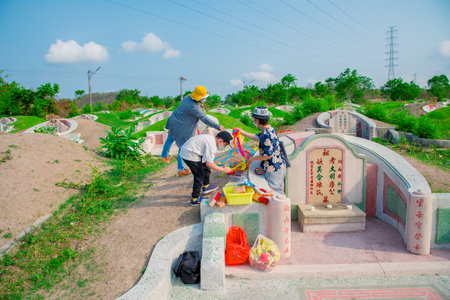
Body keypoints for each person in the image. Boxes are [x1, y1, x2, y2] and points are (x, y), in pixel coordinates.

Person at [161, 85, 225, 176]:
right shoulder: (195, 107)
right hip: (181, 126)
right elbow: (205, 119)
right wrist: (218, 126)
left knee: (170, 138)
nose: (204, 99)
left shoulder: (188, 97)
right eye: (204, 98)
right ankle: (181, 169)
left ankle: (164, 157)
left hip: (173, 120)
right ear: (200, 98)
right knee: (182, 147)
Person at [237, 106, 286, 195]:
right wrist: (242, 132)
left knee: (275, 193)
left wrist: (253, 158)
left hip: (273, 169)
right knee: (279, 190)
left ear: (257, 120)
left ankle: (280, 208)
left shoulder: (266, 134)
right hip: (279, 165)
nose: (254, 121)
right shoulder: (269, 128)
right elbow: (257, 137)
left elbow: (268, 155)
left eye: (254, 119)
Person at [180, 131, 232, 206]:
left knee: (206, 167)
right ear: (220, 141)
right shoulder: (212, 146)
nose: (224, 147)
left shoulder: (211, 139)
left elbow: (207, 162)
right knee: (199, 175)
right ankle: (195, 199)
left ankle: (206, 186)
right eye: (225, 145)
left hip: (192, 150)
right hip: (189, 154)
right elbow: (209, 163)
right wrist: (223, 169)